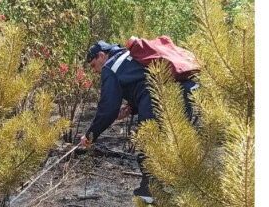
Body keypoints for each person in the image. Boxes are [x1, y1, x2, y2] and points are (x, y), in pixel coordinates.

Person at [80, 40, 198, 204]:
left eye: (94, 66)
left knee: (148, 143)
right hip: (184, 90)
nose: (96, 71)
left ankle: (150, 193)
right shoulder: (129, 57)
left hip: (160, 97)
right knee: (177, 143)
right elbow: (143, 82)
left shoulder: (110, 67)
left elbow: (107, 109)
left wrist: (90, 135)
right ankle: (188, 191)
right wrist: (130, 108)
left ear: (101, 55)